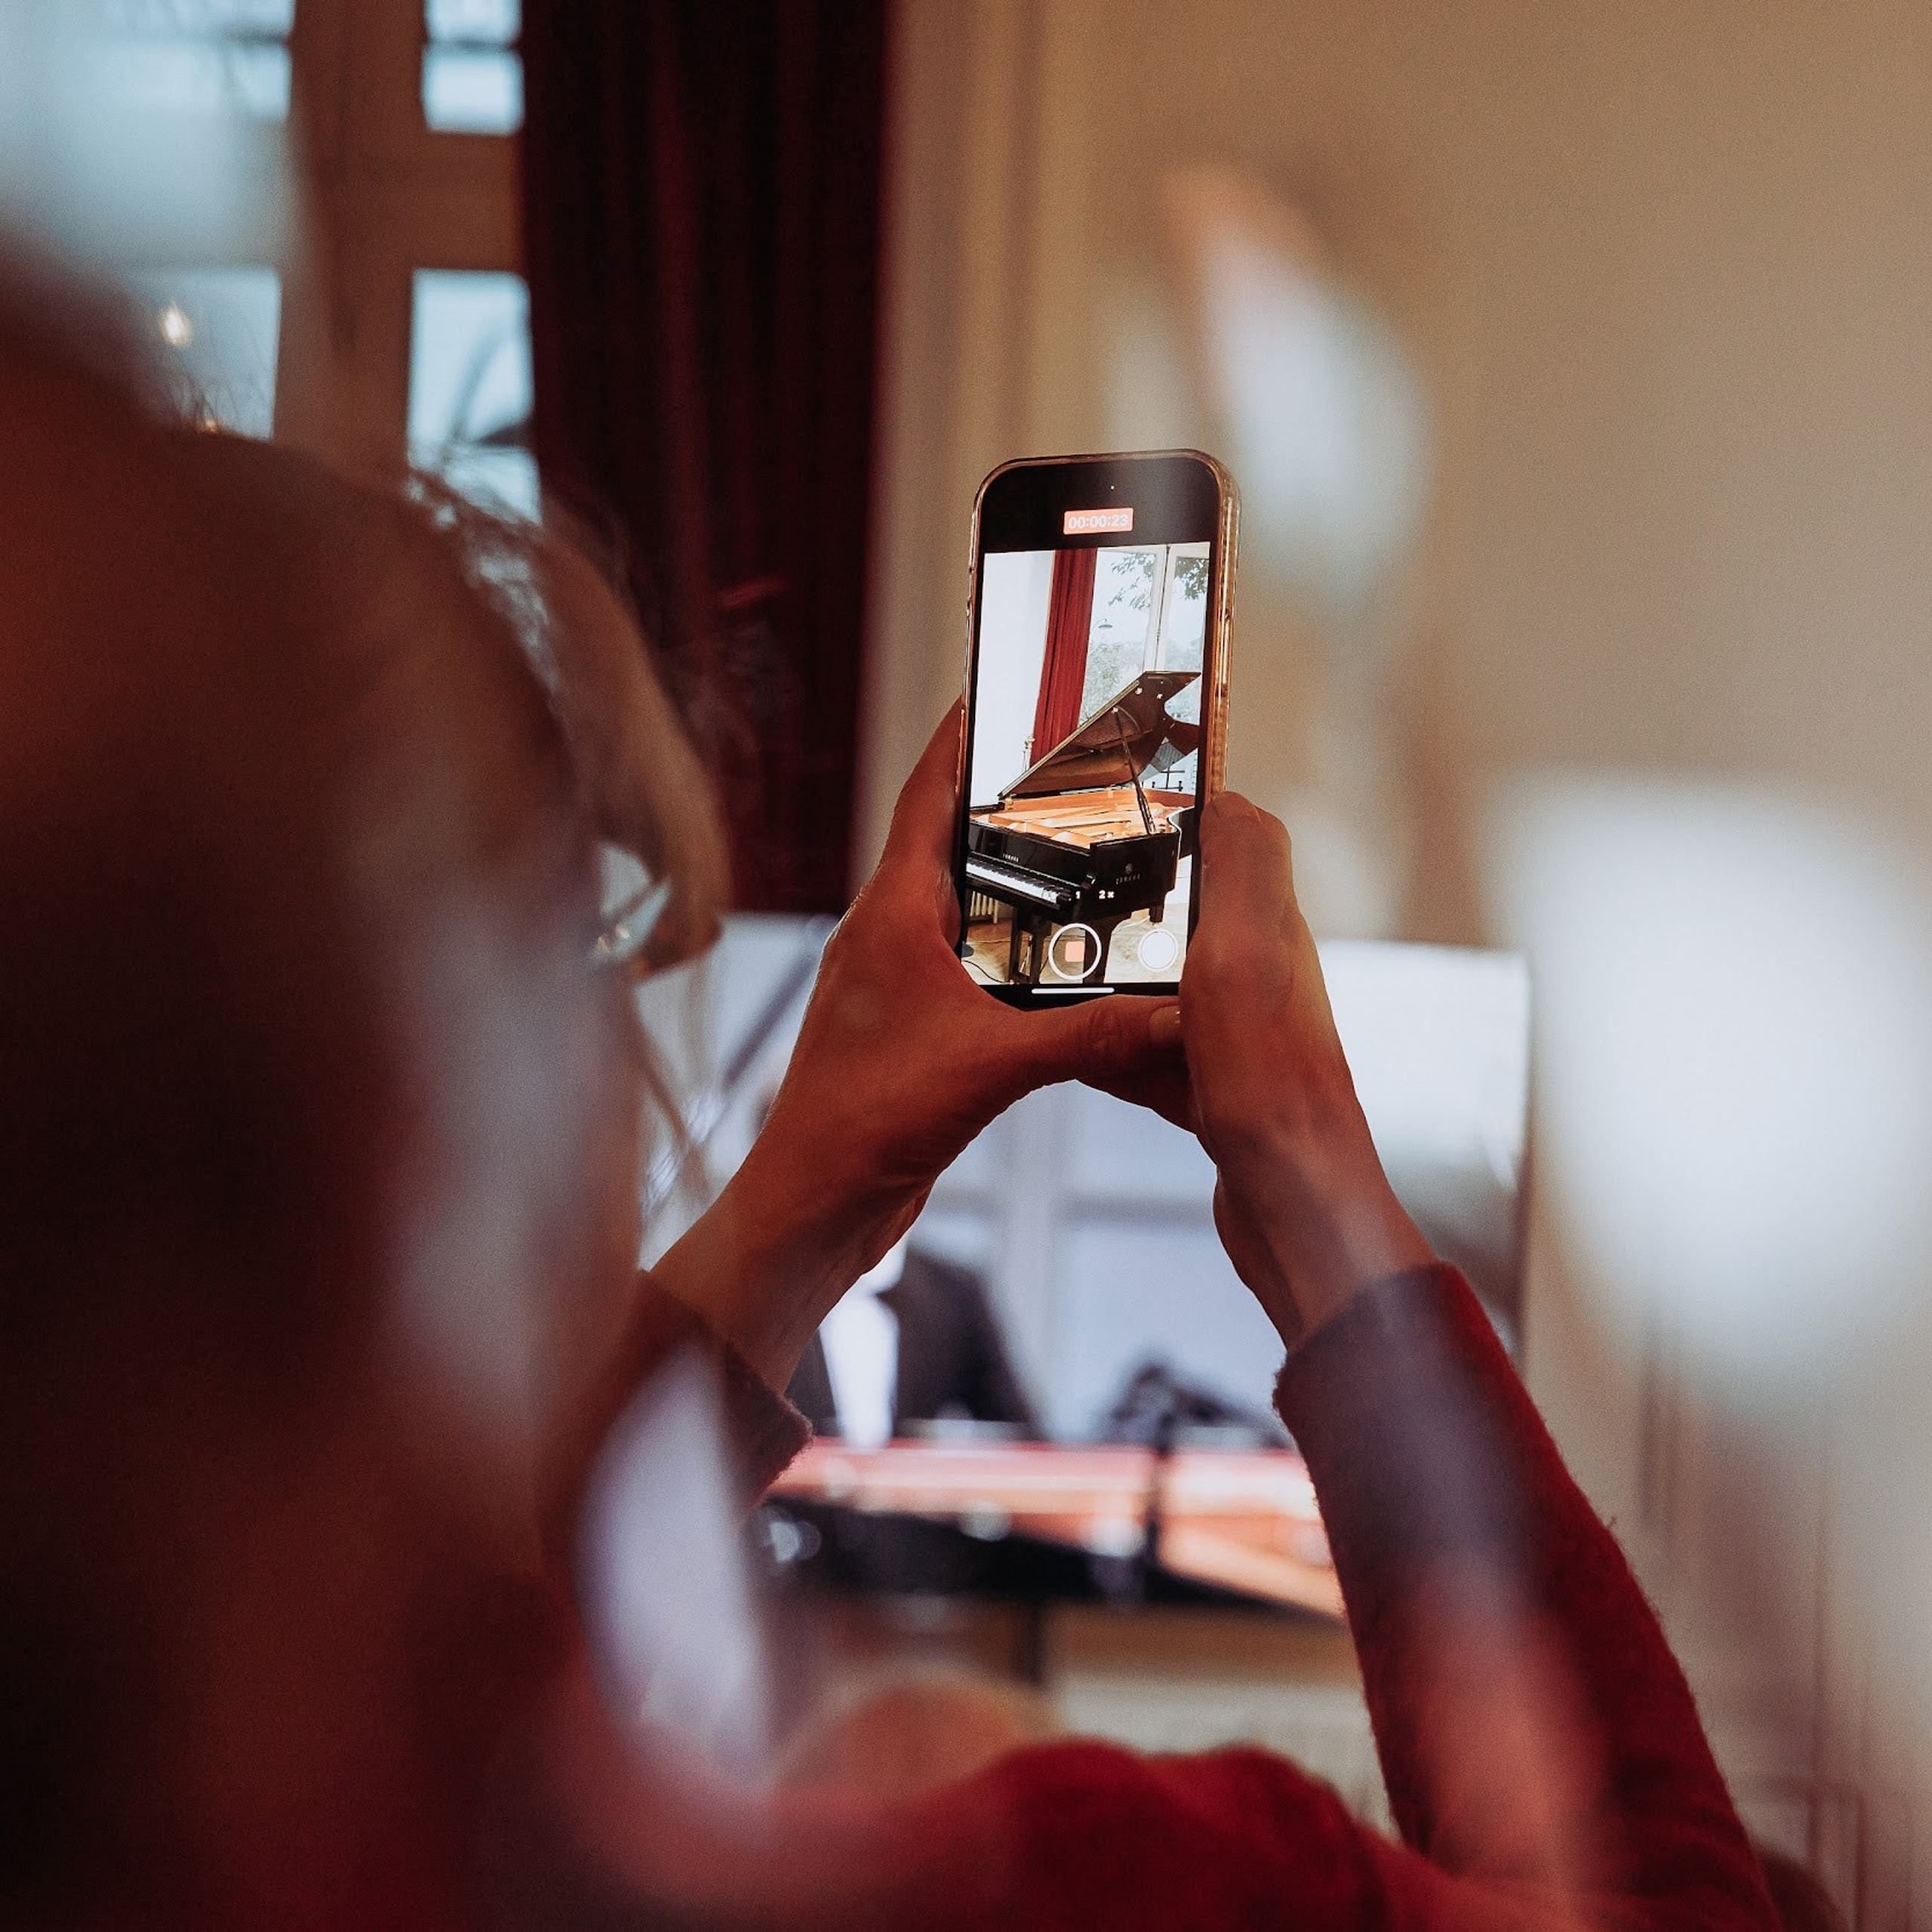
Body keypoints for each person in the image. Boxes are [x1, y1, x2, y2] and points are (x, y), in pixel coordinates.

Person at [0, 248, 1785, 1931]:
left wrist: (807, 1190)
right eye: (600, 956)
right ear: (425, 1118)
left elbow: (431, 1657)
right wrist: (1324, 1197)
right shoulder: (1067, 1878)